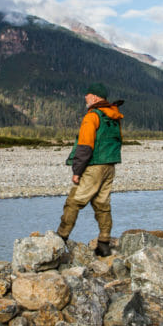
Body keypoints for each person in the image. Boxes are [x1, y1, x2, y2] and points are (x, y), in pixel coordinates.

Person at [57, 82, 124, 256]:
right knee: (102, 204)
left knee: (74, 201)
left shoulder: (92, 115)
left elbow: (85, 145)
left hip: (94, 165)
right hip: (110, 166)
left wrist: (77, 171)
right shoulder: (113, 116)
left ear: (94, 97)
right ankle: (103, 243)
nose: (85, 97)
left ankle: (60, 238)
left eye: (87, 95)